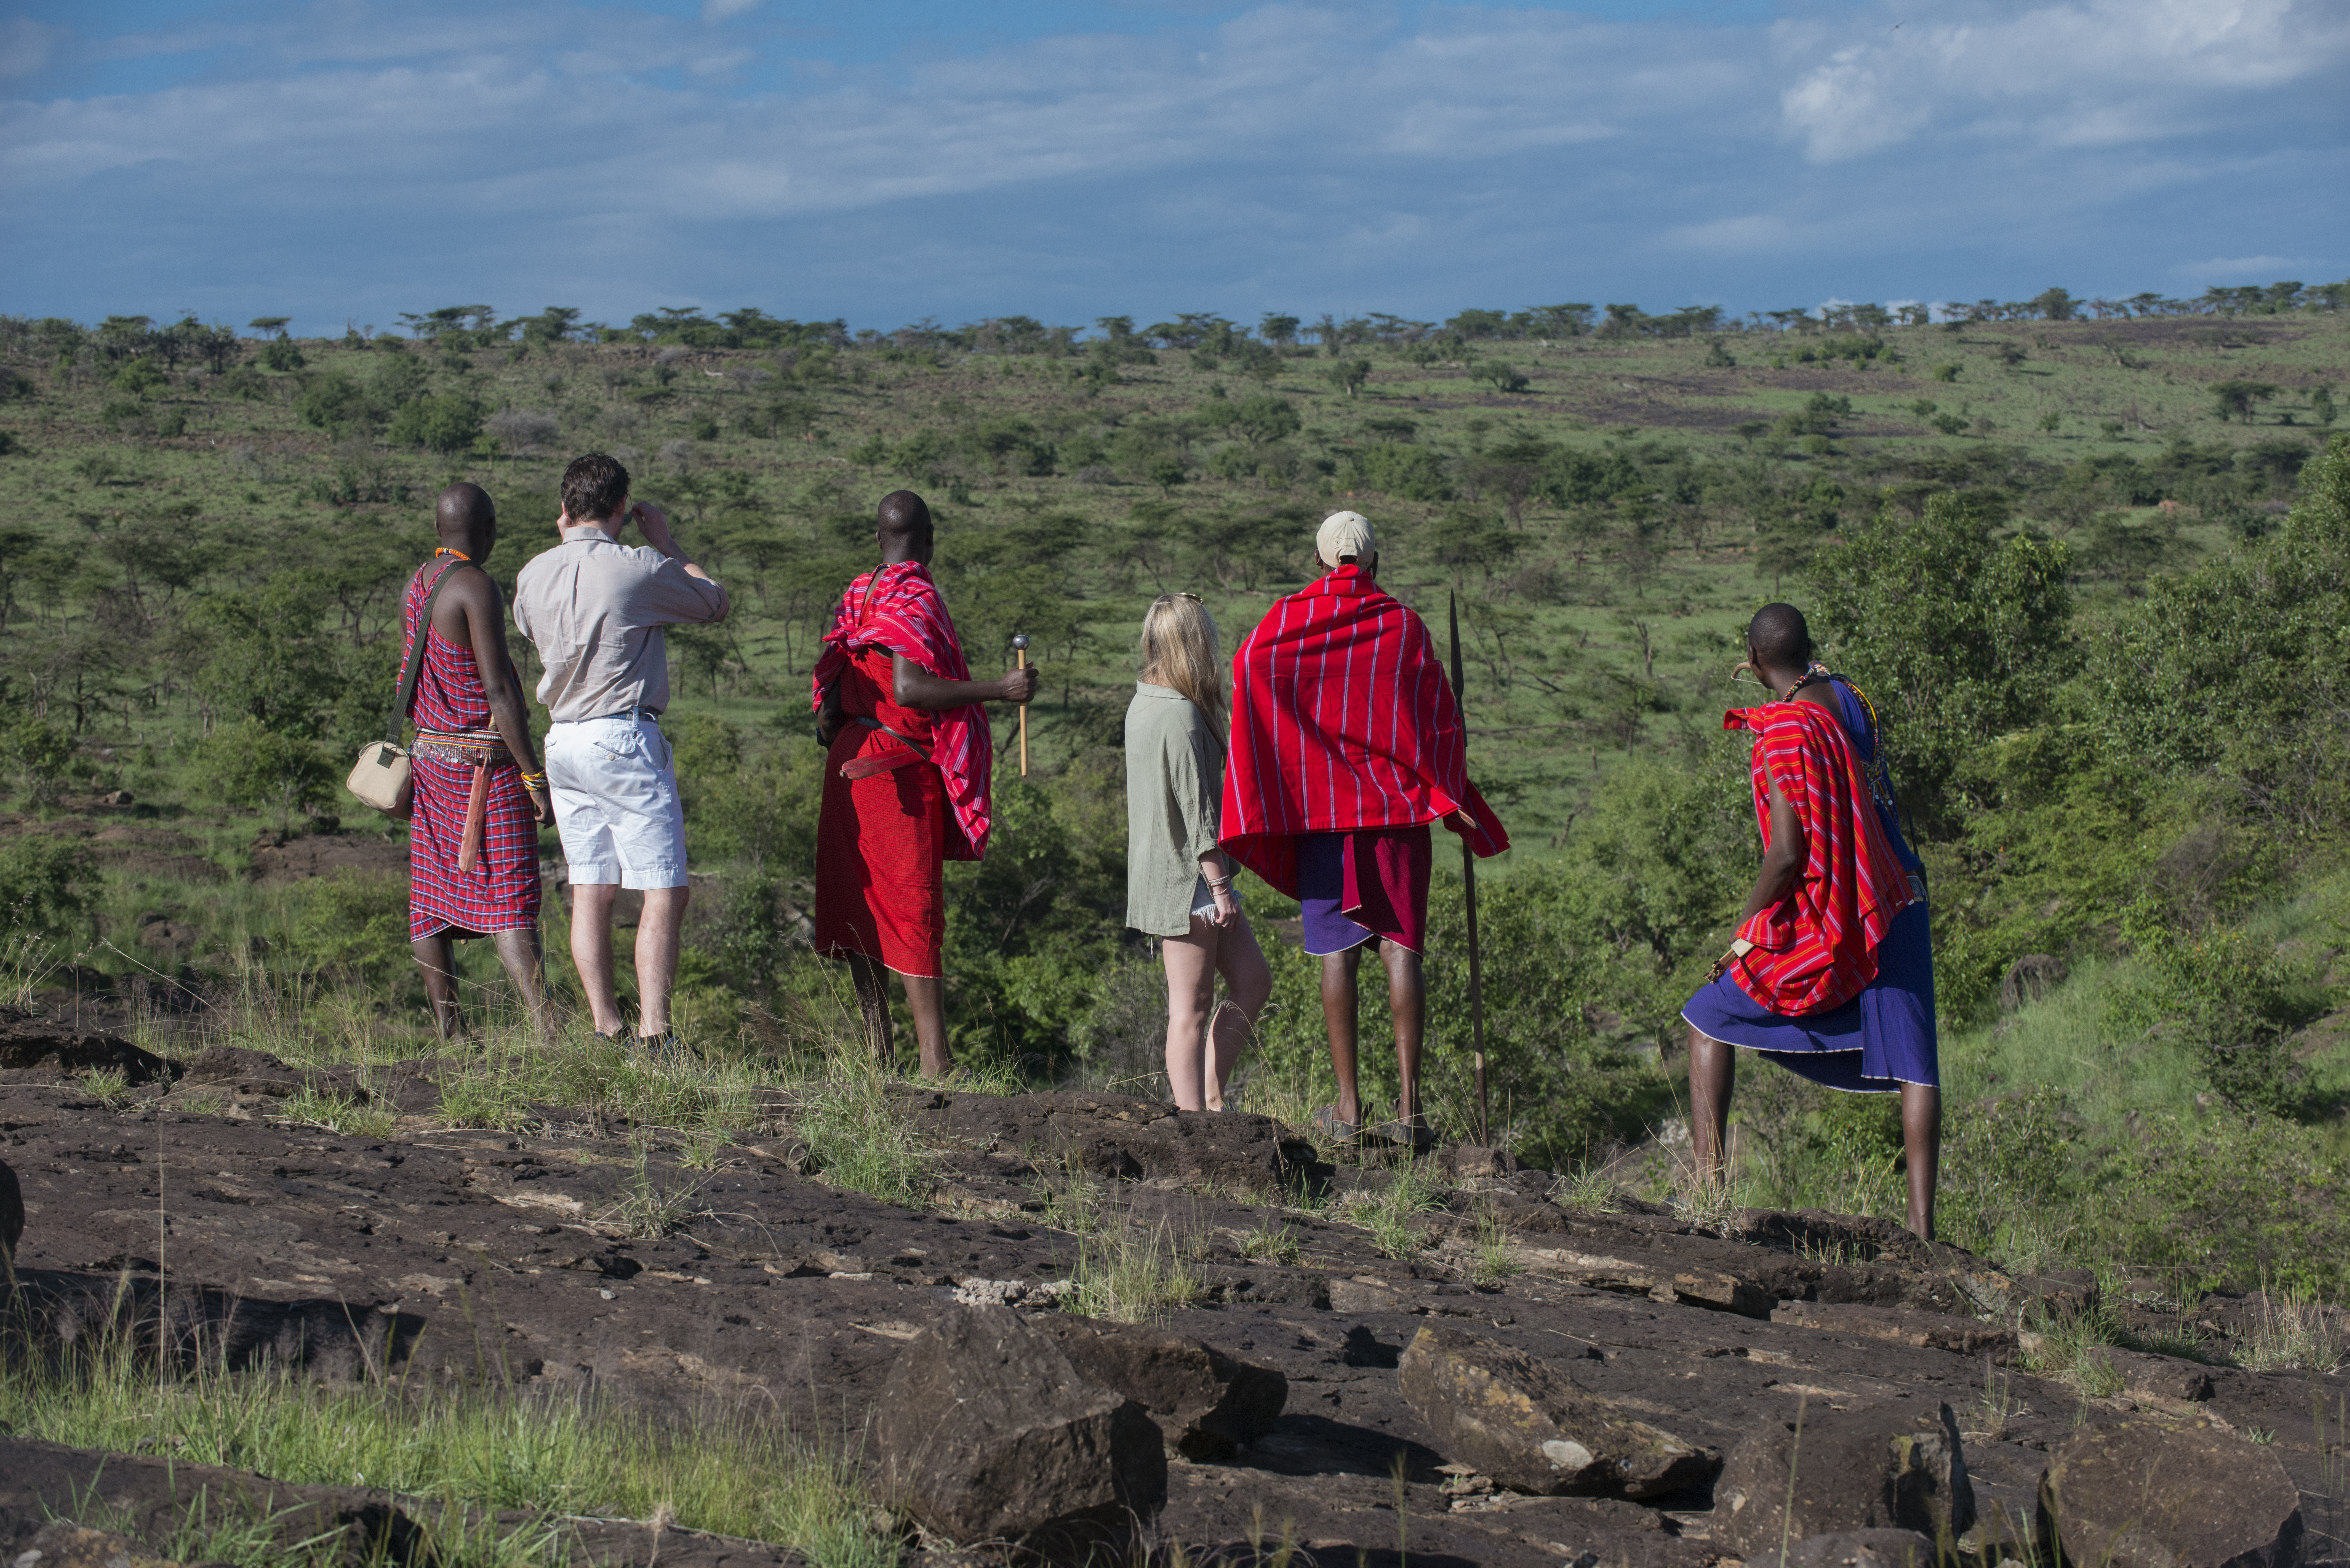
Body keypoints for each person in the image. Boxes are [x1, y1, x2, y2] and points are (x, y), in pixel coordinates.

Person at [1221, 511, 1508, 1147]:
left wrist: (1298, 757)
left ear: (1319, 563)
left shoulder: (1284, 620)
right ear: (1374, 562)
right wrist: (1449, 787)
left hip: (1322, 810)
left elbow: (1247, 669)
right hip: (1396, 812)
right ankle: (1409, 1112)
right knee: (1400, 946)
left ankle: (1349, 1110)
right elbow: (1436, 720)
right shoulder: (1402, 623)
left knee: (1336, 949)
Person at [1681, 602, 1941, 1239]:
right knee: (1915, 1062)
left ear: (1750, 662)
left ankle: (1707, 1193)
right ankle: (1920, 1232)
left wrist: (1744, 930)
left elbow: (1788, 851)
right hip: (1898, 888)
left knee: (1708, 1013)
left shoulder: (1787, 727)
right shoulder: (1850, 696)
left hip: (1846, 900)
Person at [812, 490, 1038, 1077]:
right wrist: (999, 689)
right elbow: (911, 690)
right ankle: (937, 1063)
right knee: (914, 908)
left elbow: (832, 694)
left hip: (849, 762)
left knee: (861, 904)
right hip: (897, 769)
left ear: (877, 538)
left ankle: (877, 1055)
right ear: (930, 540)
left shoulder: (859, 595)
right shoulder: (915, 595)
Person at [512, 453, 729, 1048]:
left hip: (563, 741)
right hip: (622, 737)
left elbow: (533, 628)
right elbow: (714, 603)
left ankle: (606, 1027)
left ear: (565, 509)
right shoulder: (638, 566)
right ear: (620, 508)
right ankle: (656, 1035)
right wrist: (666, 542)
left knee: (591, 887)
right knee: (664, 887)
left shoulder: (532, 574)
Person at [401, 482, 557, 1044]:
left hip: (430, 763)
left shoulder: (416, 585)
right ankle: (547, 1031)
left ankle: (452, 1032)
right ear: (489, 531)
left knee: (431, 898)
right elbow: (498, 690)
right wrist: (532, 774)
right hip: (481, 768)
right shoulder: (475, 586)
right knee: (511, 894)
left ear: (439, 530)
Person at [1125, 593, 1273, 1112]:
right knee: (1190, 1009)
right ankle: (1192, 1125)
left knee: (1253, 981)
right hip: (1188, 879)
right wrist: (1220, 888)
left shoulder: (1145, 700)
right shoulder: (1183, 717)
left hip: (1171, 870)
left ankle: (1210, 1098)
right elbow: (1199, 815)